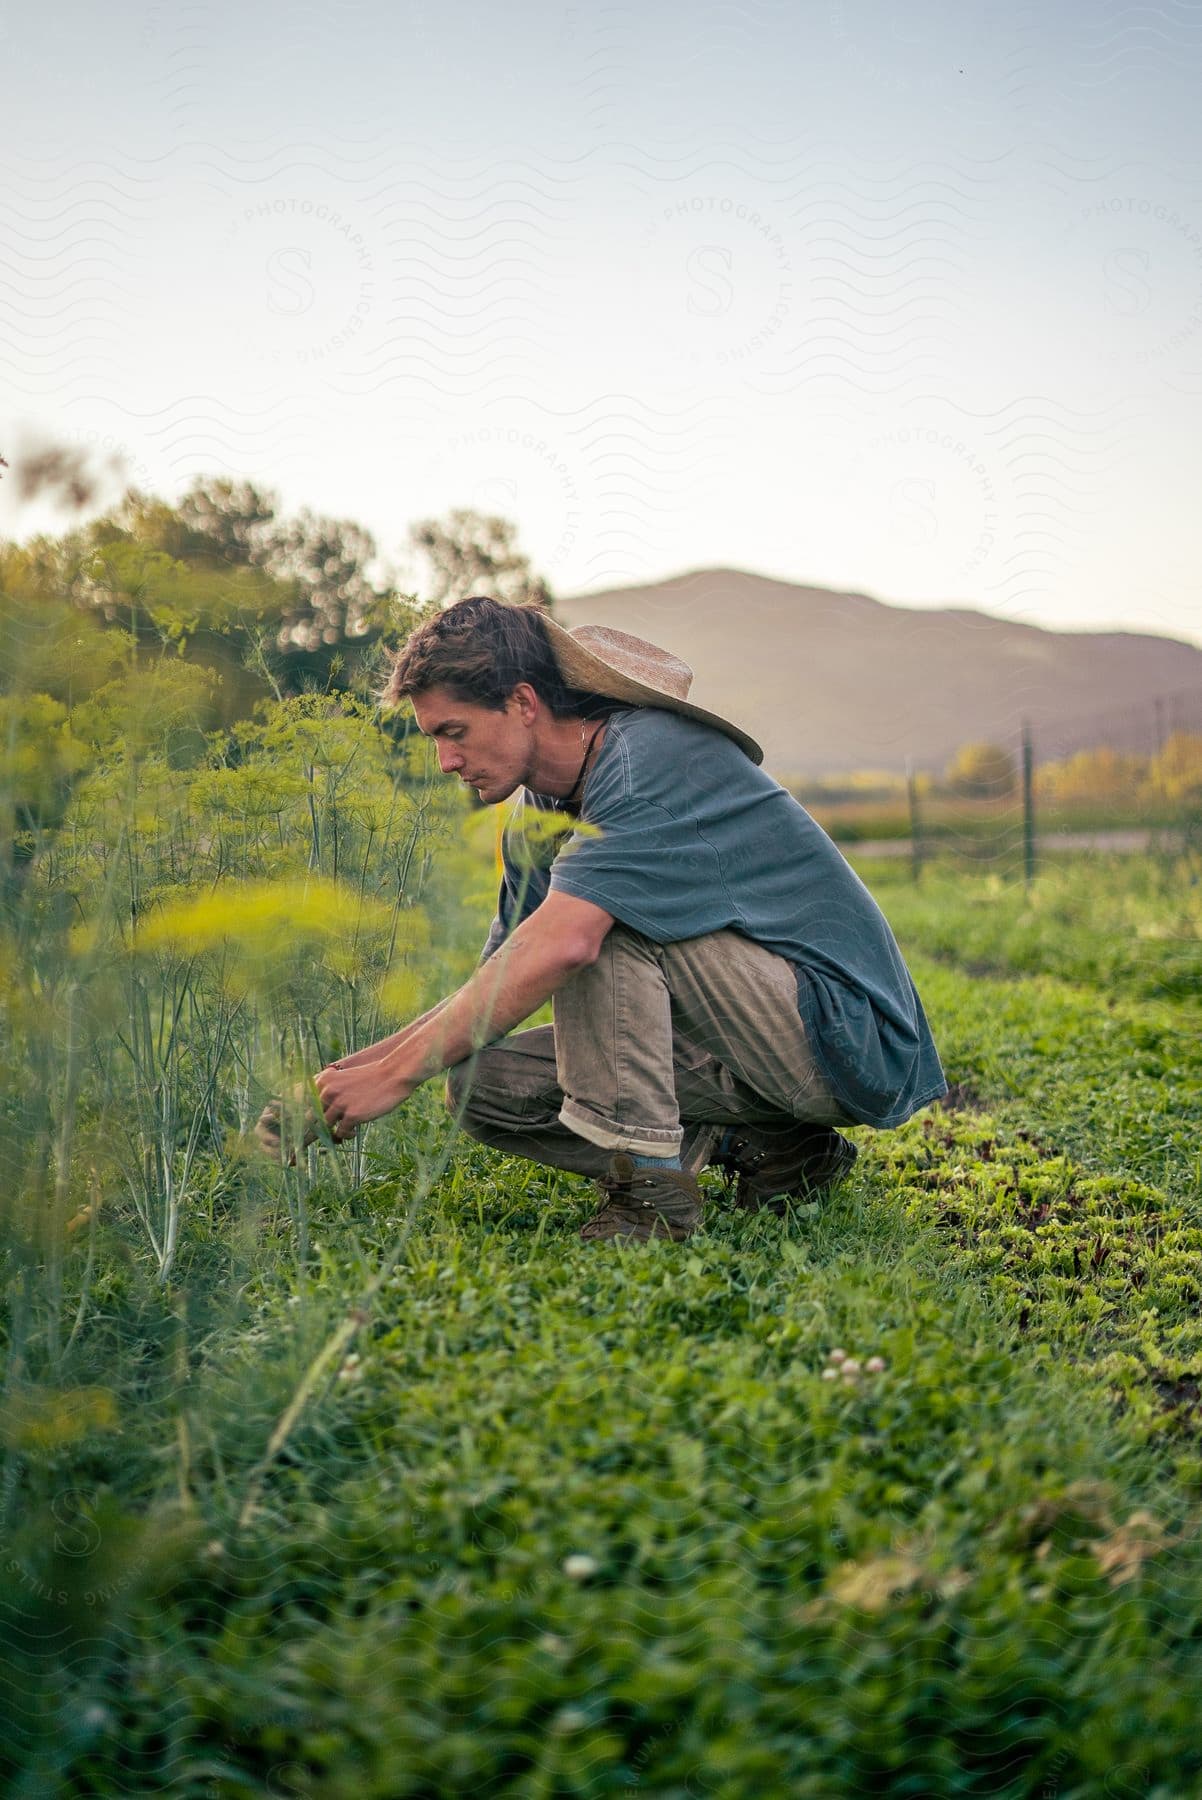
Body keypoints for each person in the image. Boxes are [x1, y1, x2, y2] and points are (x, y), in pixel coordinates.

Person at [260, 595, 946, 1243]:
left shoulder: (648, 762)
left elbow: (563, 944)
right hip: (741, 1042)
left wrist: (396, 1077)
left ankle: (649, 1191)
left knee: (588, 931)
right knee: (480, 1084)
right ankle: (774, 1149)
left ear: (522, 703)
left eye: (455, 732)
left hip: (845, 1040)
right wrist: (349, 1075)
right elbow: (503, 974)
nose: (445, 761)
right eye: (434, 739)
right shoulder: (539, 809)